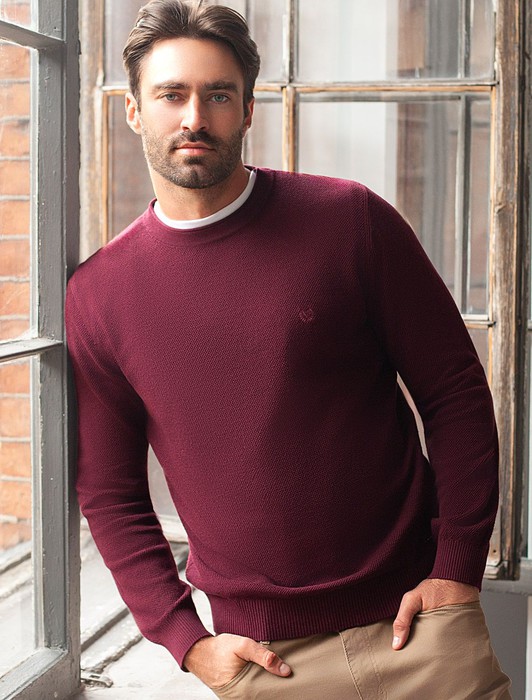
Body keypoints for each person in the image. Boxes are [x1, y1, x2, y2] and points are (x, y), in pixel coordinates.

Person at [66, 1, 511, 697]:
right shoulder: (98, 296)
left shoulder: (350, 220)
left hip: (422, 628)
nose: (194, 118)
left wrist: (456, 567)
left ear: (248, 110)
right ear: (134, 111)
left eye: (218, 95)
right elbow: (110, 495)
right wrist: (187, 641)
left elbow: (454, 391)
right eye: (172, 95)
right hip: (267, 662)